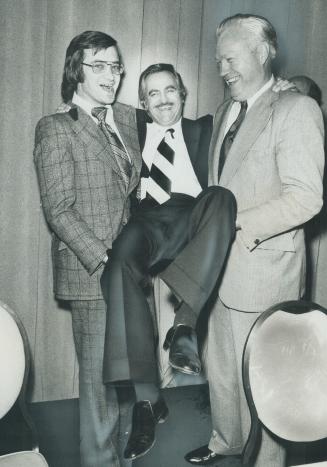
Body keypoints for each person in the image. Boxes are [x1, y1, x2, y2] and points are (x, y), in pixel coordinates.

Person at [185, 14, 325, 467]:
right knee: (223, 370)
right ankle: (225, 440)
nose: (222, 68)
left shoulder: (297, 109)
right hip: (220, 273)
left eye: (230, 57)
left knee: (264, 384)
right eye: (218, 59)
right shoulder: (226, 110)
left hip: (262, 267)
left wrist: (235, 226)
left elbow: (306, 199)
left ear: (263, 52)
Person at [100, 63, 237, 460]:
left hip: (194, 215)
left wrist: (285, 87)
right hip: (147, 219)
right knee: (118, 267)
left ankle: (184, 327)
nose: (163, 99)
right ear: (142, 102)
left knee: (223, 198)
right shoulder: (131, 128)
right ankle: (146, 401)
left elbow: (245, 109)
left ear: (183, 93)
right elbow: (96, 114)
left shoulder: (205, 129)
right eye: (153, 94)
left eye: (170, 90)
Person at [34, 31, 142, 467]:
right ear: (76, 69)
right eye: (98, 65)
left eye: (115, 66)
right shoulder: (57, 127)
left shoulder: (128, 118)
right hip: (94, 272)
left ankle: (125, 460)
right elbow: (59, 210)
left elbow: (183, 126)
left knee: (129, 381)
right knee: (101, 388)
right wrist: (106, 257)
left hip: (134, 272)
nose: (111, 75)